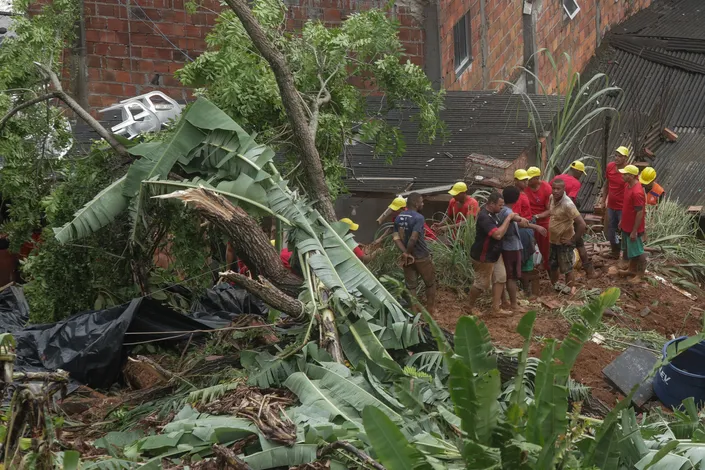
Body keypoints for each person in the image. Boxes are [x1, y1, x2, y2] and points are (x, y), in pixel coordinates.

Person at [467, 192, 520, 315]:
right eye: (500, 205)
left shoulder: (494, 214)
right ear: (491, 204)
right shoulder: (485, 217)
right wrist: (508, 218)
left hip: (495, 253)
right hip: (484, 256)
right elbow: (498, 235)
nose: (502, 208)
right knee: (482, 284)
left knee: (501, 277)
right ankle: (469, 306)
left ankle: (495, 309)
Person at [500, 186, 548, 310]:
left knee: (503, 276)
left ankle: (504, 301)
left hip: (503, 246)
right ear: (516, 200)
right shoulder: (509, 213)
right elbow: (520, 221)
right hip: (511, 248)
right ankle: (514, 304)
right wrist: (535, 226)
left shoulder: (499, 210)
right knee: (512, 278)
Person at [550, 160, 596, 278]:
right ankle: (589, 272)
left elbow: (550, 194)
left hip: (556, 218)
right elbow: (570, 199)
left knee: (554, 249)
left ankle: (555, 277)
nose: (580, 176)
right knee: (579, 243)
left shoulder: (557, 178)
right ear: (577, 171)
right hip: (567, 217)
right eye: (581, 173)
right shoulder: (575, 183)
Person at [393, 193, 436, 314]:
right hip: (421, 256)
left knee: (411, 287)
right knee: (430, 283)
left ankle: (413, 312)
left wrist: (405, 253)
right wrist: (408, 252)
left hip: (408, 259)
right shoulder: (419, 217)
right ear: (416, 203)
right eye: (421, 202)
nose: (422, 204)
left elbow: (396, 238)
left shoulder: (398, 217)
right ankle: (431, 311)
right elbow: (414, 237)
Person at [545, 178, 586, 290]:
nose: (555, 191)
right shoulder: (552, 198)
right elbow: (551, 212)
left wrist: (572, 240)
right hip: (553, 240)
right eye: (554, 188)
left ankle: (570, 291)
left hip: (564, 242)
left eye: (558, 189)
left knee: (567, 268)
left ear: (564, 189)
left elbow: (582, 224)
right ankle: (555, 287)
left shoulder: (568, 204)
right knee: (553, 266)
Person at [599, 146, 629, 259]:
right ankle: (615, 251)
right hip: (611, 205)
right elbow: (607, 184)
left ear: (625, 158)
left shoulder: (628, 171)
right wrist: (603, 201)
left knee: (624, 230)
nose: (616, 158)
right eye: (616, 155)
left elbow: (630, 190)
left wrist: (627, 210)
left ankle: (625, 255)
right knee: (611, 230)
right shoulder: (610, 167)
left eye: (620, 156)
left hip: (623, 207)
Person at [618, 165, 647, 282]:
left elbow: (640, 212)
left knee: (638, 251)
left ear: (631, 176)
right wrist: (622, 221)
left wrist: (635, 230)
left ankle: (640, 275)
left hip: (633, 228)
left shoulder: (637, 192)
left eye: (625, 174)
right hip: (627, 224)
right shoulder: (628, 186)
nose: (622, 176)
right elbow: (627, 207)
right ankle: (631, 269)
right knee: (631, 250)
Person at [524, 166, 552, 269]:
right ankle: (528, 267)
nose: (528, 181)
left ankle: (547, 266)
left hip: (543, 221)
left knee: (545, 248)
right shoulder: (525, 188)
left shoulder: (546, 188)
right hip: (528, 220)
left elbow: (550, 210)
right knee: (527, 246)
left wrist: (537, 216)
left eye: (530, 179)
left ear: (537, 178)